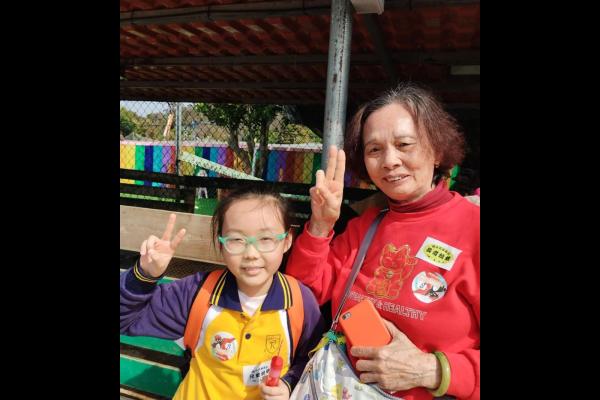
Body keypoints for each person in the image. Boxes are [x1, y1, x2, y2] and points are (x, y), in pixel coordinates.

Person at [286, 83, 479, 400]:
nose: (390, 160)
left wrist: (432, 370)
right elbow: (300, 295)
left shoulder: (473, 230)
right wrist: (321, 225)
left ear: (437, 151)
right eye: (374, 149)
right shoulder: (364, 227)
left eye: (404, 144)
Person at [120, 186, 325, 400]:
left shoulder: (300, 302)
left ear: (287, 241)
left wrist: (288, 383)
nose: (251, 253)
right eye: (236, 239)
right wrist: (144, 275)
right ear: (221, 244)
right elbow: (126, 320)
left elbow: (313, 359)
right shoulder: (197, 293)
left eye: (265, 239)